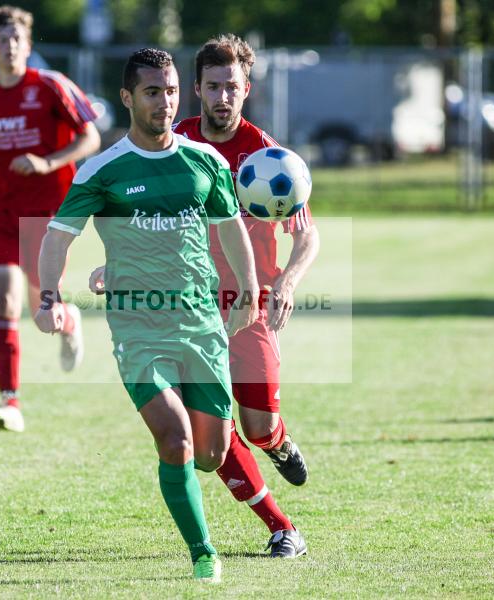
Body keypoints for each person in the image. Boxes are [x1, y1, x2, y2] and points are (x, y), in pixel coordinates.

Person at [90, 34, 319, 558]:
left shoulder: (269, 157)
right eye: (212, 86)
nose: (222, 97)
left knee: (258, 427)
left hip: (249, 306)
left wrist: (285, 284)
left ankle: (278, 441)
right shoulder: (175, 145)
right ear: (195, 89)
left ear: (246, 90)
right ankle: (281, 527)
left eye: (231, 87)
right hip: (187, 305)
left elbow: (307, 235)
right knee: (206, 434)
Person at [35, 48, 260, 583]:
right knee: (175, 437)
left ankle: (199, 481)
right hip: (138, 328)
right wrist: (49, 296)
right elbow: (56, 238)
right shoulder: (102, 171)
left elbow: (230, 228)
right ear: (128, 98)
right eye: (153, 92)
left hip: (202, 324)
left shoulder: (204, 162)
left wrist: (249, 286)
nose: (165, 102)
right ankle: (203, 552)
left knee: (210, 452)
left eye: (172, 91)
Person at [0, 5, 100, 432]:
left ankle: (69, 320)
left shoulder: (51, 86)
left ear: (28, 45)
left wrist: (47, 162)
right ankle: (9, 402)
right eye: (2, 41)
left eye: (17, 40)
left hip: (47, 214)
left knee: (41, 309)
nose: (10, 47)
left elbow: (90, 137)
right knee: (6, 301)